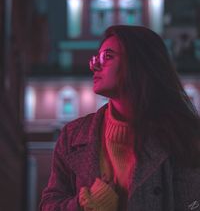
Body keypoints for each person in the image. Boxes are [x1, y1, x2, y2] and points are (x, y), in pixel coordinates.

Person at [40, 25, 200, 211]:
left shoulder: (184, 135)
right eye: (96, 58)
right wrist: (84, 206)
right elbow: (49, 204)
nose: (96, 65)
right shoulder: (73, 135)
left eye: (107, 57)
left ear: (140, 62)